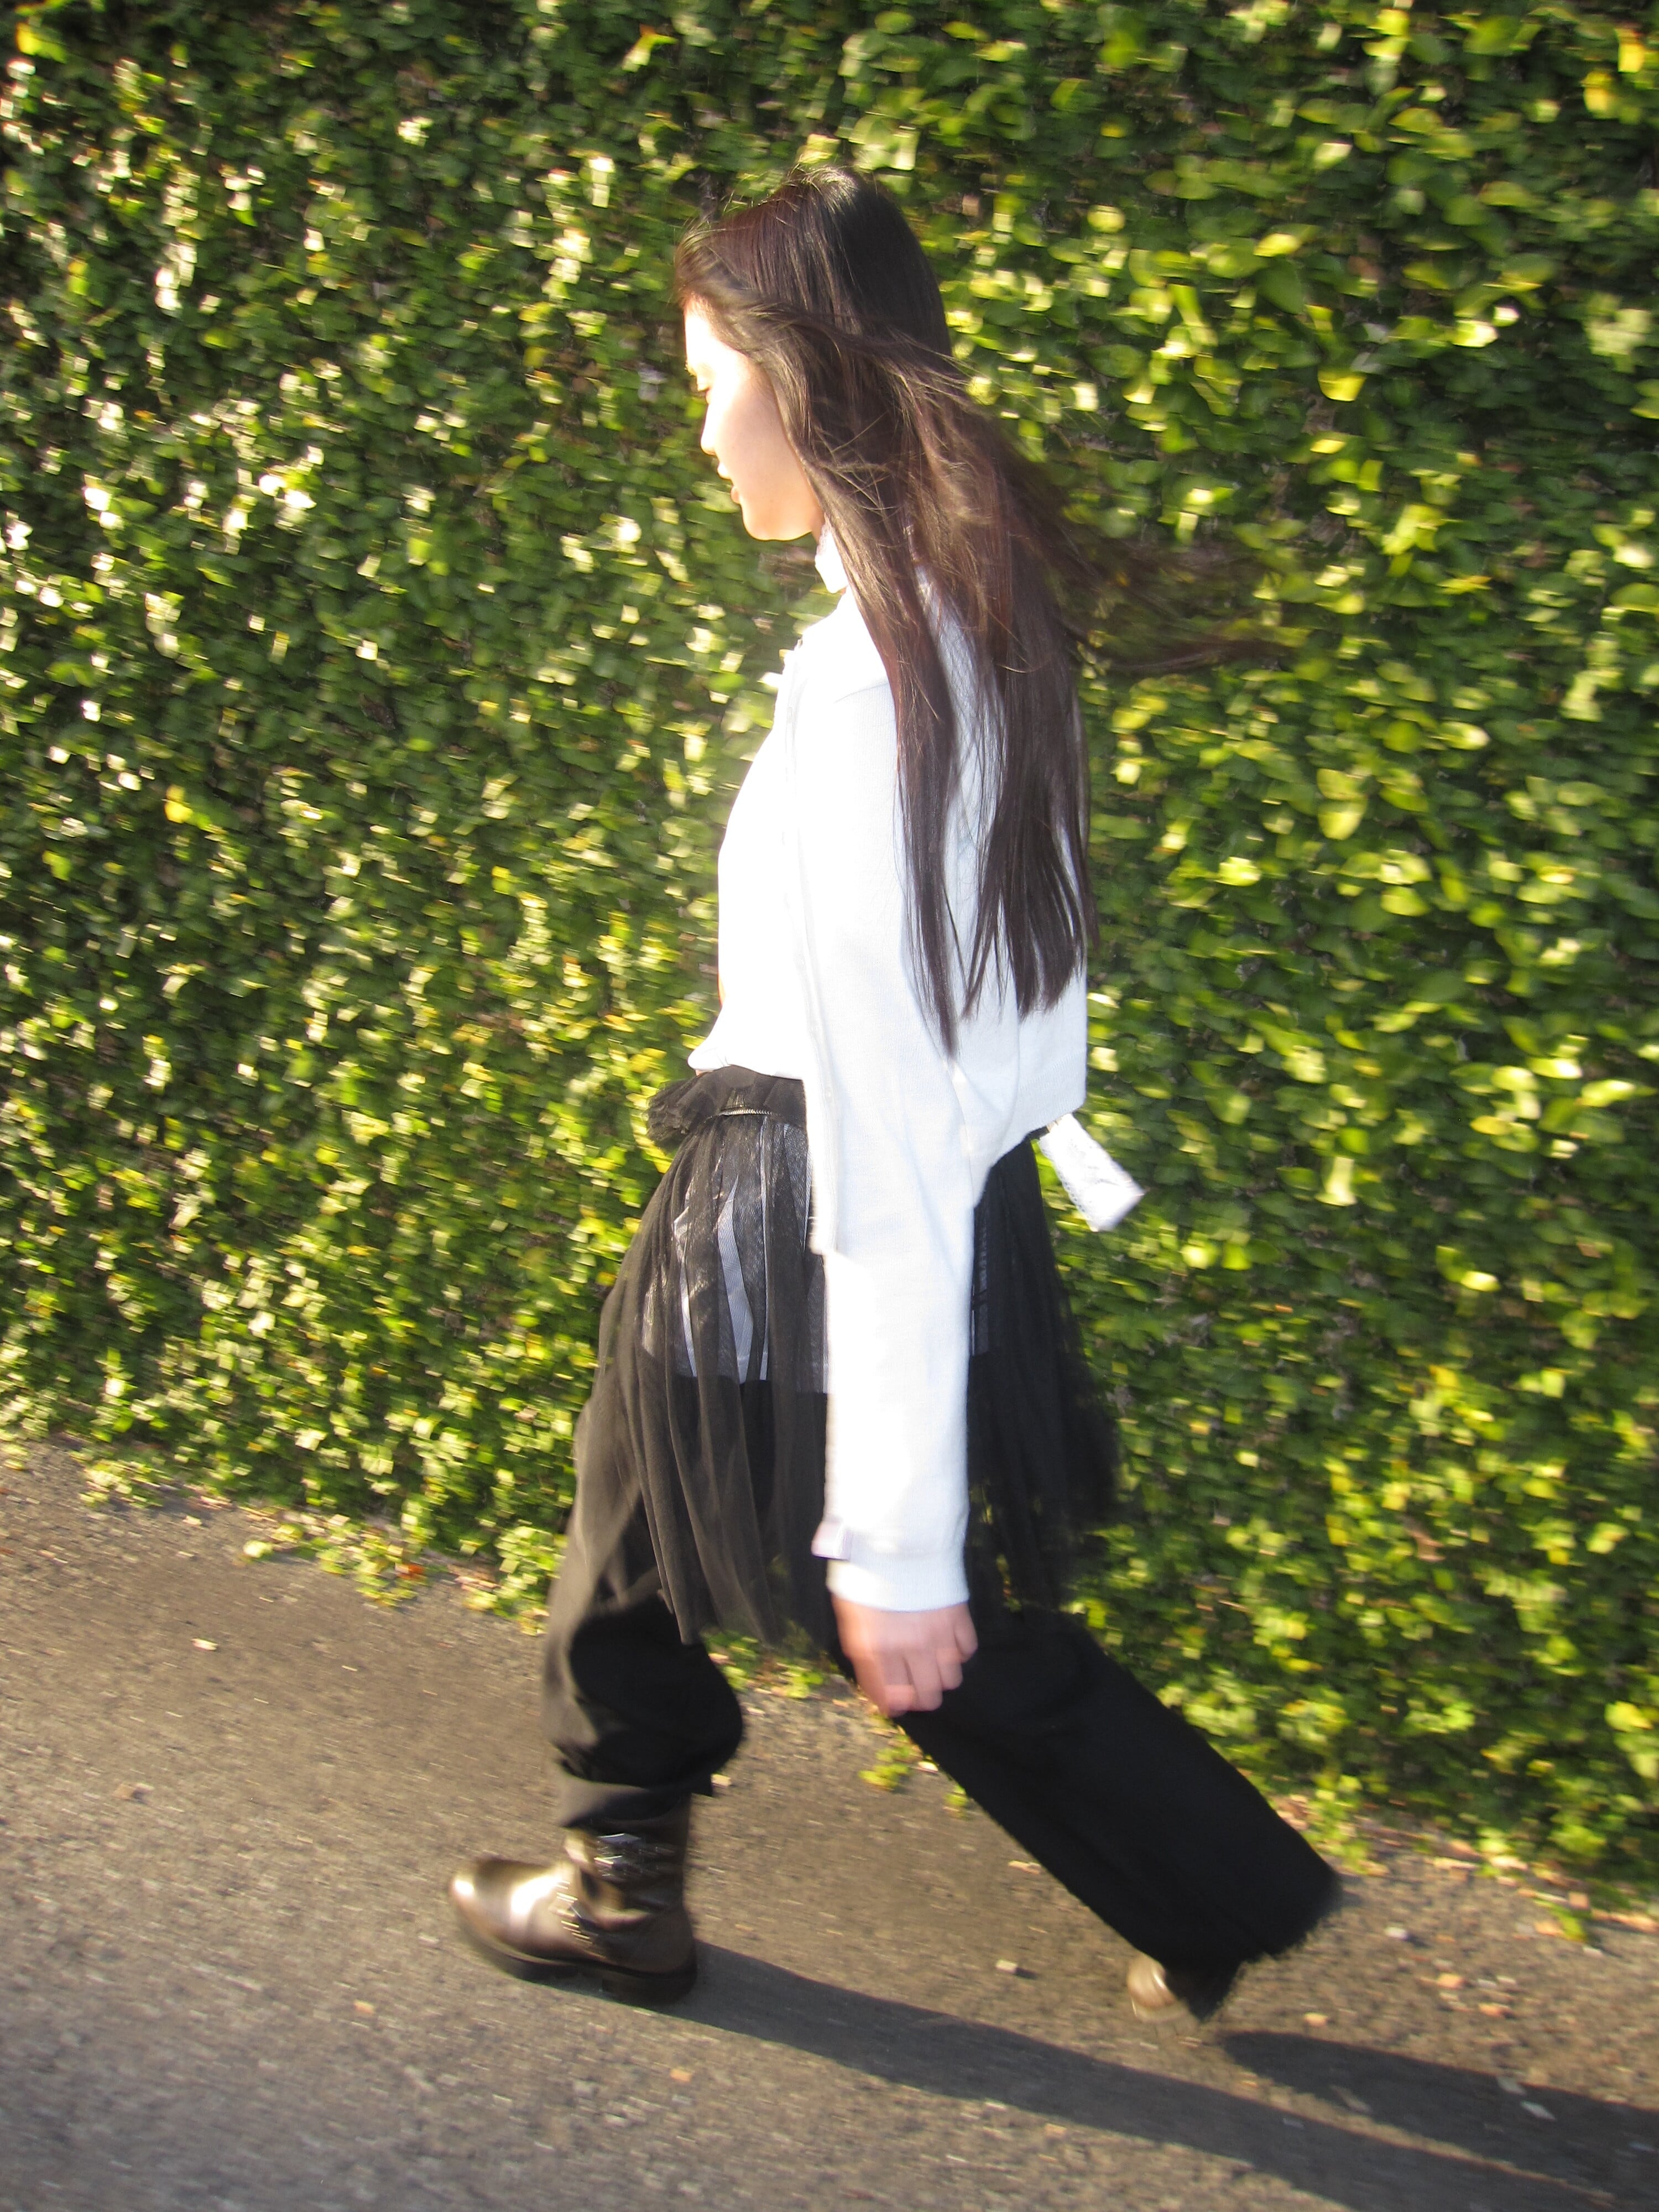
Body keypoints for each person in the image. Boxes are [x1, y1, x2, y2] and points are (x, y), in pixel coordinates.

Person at [449, 166, 1337, 2017]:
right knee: (644, 1517)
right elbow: (1006, 1015)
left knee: (895, 1617)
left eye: (713, 384)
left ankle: (1196, 1883)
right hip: (850, 1180)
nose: (701, 434)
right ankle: (638, 1868)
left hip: (811, 1195)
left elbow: (904, 1108)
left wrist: (902, 1535)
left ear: (795, 377)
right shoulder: (964, 620)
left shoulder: (883, 677)